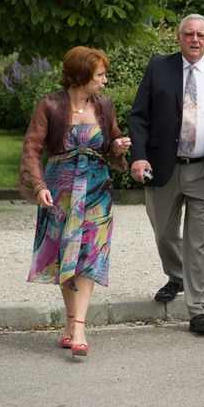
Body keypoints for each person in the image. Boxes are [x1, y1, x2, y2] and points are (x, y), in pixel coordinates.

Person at [129, 13, 204, 335]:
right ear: (179, 38)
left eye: (201, 35)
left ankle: (198, 309)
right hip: (162, 167)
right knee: (164, 233)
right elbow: (139, 117)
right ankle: (177, 275)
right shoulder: (158, 67)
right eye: (189, 34)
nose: (195, 40)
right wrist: (138, 157)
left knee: (201, 240)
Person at [20, 46, 130, 357]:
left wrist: (118, 147)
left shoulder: (105, 106)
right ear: (81, 76)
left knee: (90, 254)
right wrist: (39, 185)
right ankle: (71, 323)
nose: (105, 80)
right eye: (100, 75)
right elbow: (32, 148)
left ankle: (79, 326)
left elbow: (110, 144)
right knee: (65, 256)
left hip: (96, 191)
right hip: (61, 192)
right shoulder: (50, 105)